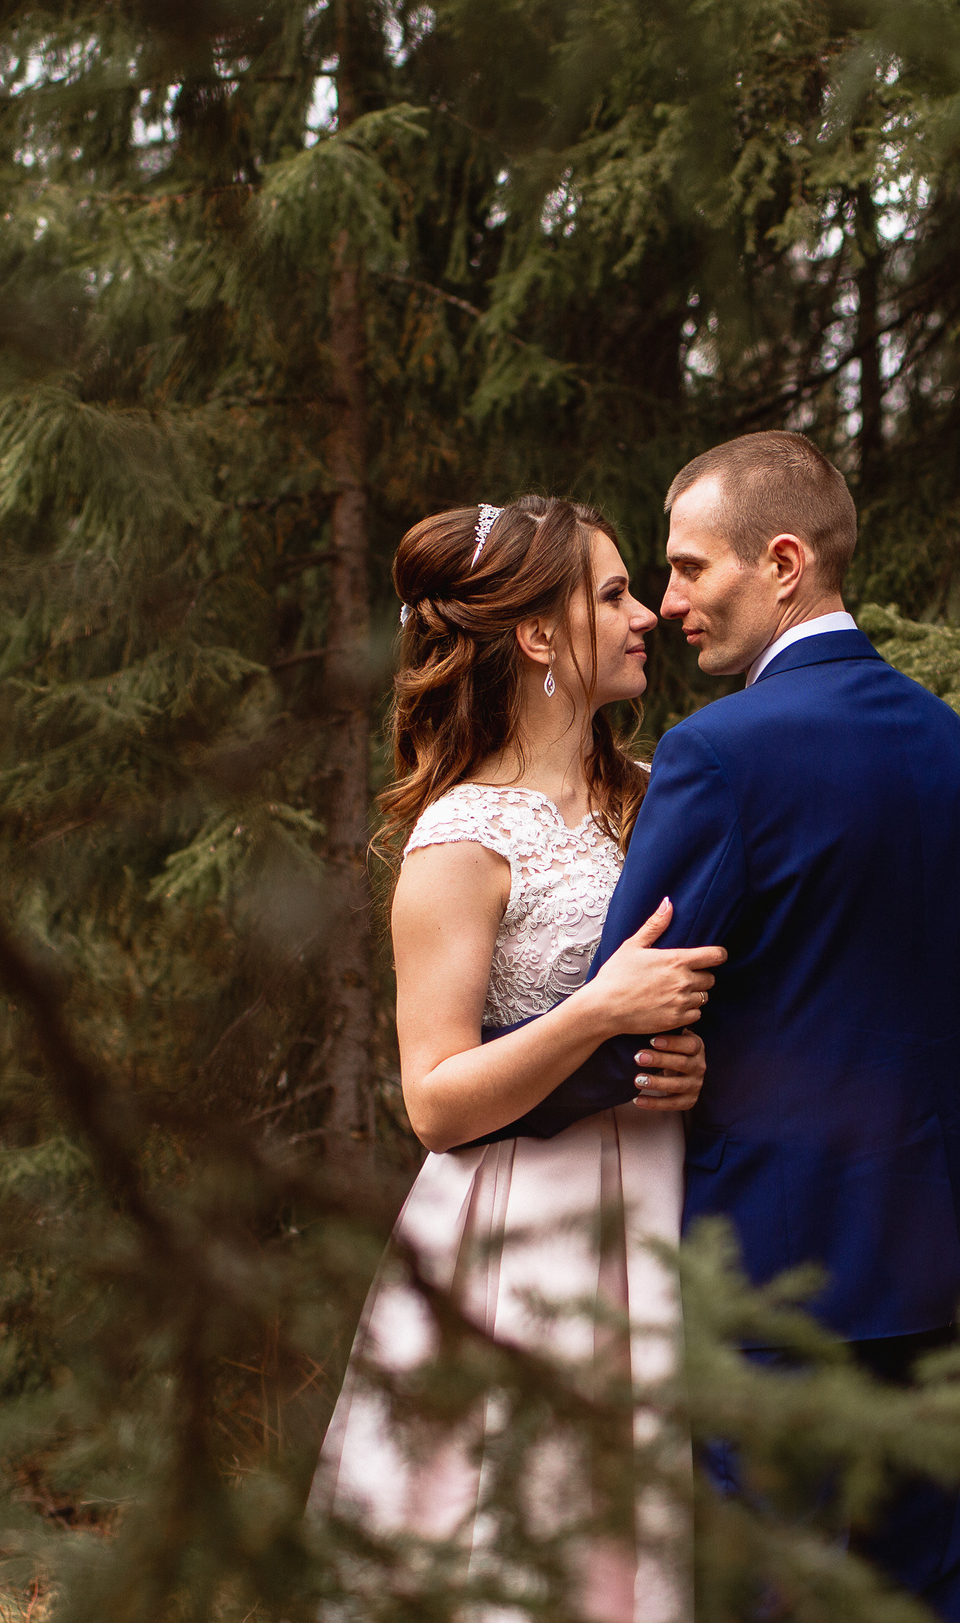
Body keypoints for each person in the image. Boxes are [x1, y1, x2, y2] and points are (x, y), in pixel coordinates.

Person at [491, 433, 960, 1622]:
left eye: (688, 570)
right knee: (917, 1594)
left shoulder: (720, 755)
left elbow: (624, 1027)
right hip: (927, 1257)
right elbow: (959, 1018)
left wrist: (487, 1103)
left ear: (782, 563)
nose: (667, 605)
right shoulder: (948, 743)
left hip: (772, 1273)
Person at [310, 495, 726, 1623]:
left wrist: (685, 1062)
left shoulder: (654, 802)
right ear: (537, 635)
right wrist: (598, 1015)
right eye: (611, 594)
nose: (645, 615)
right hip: (521, 1235)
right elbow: (435, 1102)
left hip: (659, 1203)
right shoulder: (462, 838)